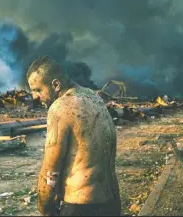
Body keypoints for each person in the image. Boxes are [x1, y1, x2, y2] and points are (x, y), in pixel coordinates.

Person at [26, 56, 121, 216]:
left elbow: (51, 170)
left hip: (81, 207)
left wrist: (45, 208)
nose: (35, 96)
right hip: (111, 203)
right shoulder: (94, 97)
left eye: (38, 90)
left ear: (56, 85)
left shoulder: (60, 107)